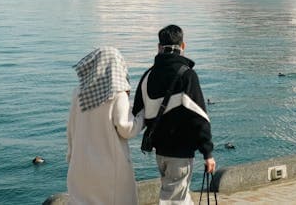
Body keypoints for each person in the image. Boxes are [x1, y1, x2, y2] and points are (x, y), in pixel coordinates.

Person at [133, 25, 215, 205]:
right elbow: (199, 118)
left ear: (159, 47)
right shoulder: (187, 76)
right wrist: (208, 153)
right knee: (174, 199)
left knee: (179, 194)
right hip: (181, 151)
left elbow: (137, 114)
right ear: (183, 46)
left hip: (160, 151)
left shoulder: (148, 75)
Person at [66, 46, 142, 205]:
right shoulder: (118, 94)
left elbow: (71, 129)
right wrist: (142, 117)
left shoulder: (78, 92)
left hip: (80, 167)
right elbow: (126, 128)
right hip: (109, 169)